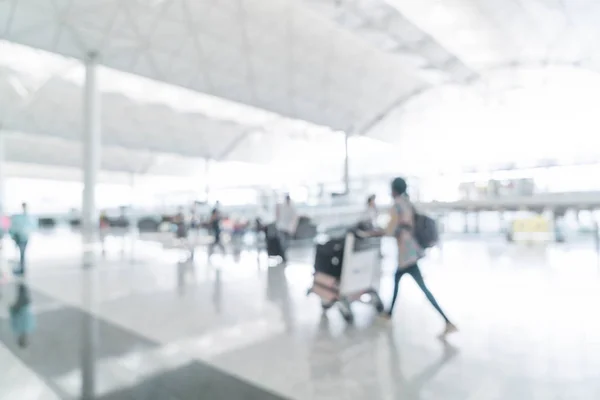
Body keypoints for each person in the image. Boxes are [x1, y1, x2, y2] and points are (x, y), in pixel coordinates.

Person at [381, 177, 457, 337]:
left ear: (394, 190)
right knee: (397, 280)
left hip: (406, 254)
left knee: (420, 287)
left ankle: (447, 321)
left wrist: (378, 232)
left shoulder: (397, 205)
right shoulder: (407, 203)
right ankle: (388, 313)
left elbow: (390, 229)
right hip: (411, 251)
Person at [9, 203, 36, 275]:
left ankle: (22, 268)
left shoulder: (26, 216)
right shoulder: (21, 216)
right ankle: (21, 268)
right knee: (21, 253)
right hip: (20, 237)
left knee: (22, 253)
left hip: (23, 237)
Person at [9, 282, 35, 348]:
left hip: (21, 307)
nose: (26, 339)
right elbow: (31, 316)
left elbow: (13, 318)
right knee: (22, 293)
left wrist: (12, 310)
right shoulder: (30, 328)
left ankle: (20, 283)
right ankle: (21, 283)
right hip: (24, 307)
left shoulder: (17, 329)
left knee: (22, 293)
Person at [276, 194, 298, 264]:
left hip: (288, 228)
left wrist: (293, 227)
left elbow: (294, 218)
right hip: (282, 227)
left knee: (286, 242)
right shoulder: (282, 206)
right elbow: (278, 215)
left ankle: (284, 254)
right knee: (283, 242)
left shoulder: (292, 207)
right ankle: (283, 255)